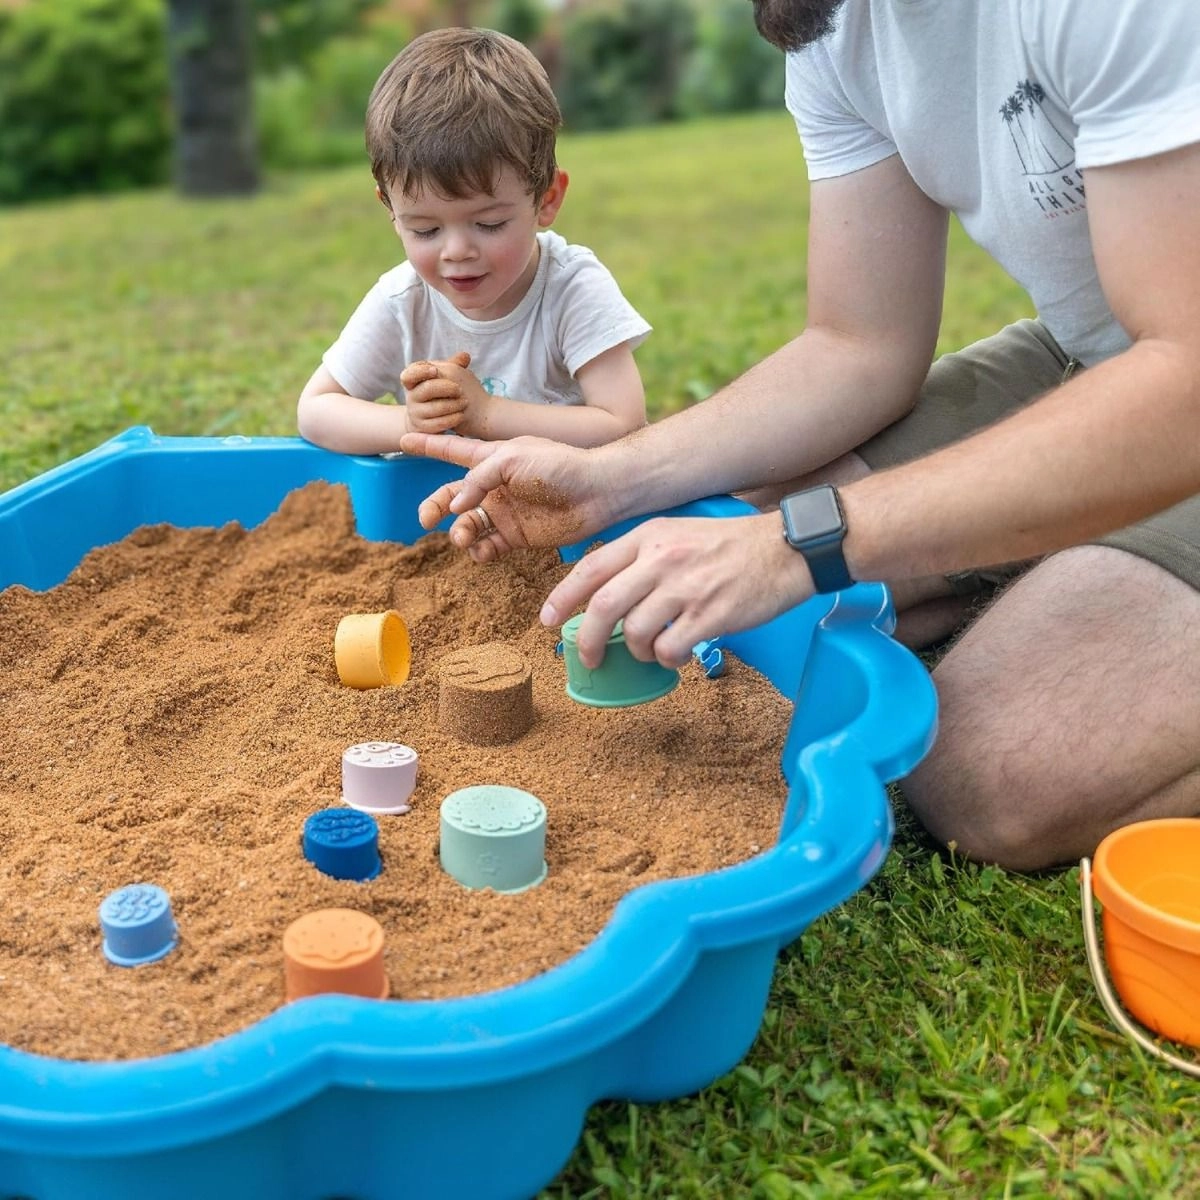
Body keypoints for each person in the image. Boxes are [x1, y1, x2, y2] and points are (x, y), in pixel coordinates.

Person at [397, 0, 1200, 874]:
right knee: (723, 540)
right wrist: (612, 476)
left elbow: (1186, 373)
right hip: (1091, 352)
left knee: (986, 772)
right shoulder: (827, 19)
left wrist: (796, 547)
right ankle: (1090, 551)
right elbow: (861, 345)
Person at [296, 27, 651, 454]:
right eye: (425, 230)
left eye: (489, 224)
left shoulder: (571, 288)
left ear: (547, 200)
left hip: (561, 509)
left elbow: (625, 426)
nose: (457, 251)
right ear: (390, 209)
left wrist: (486, 415)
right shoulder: (402, 301)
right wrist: (407, 421)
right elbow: (316, 411)